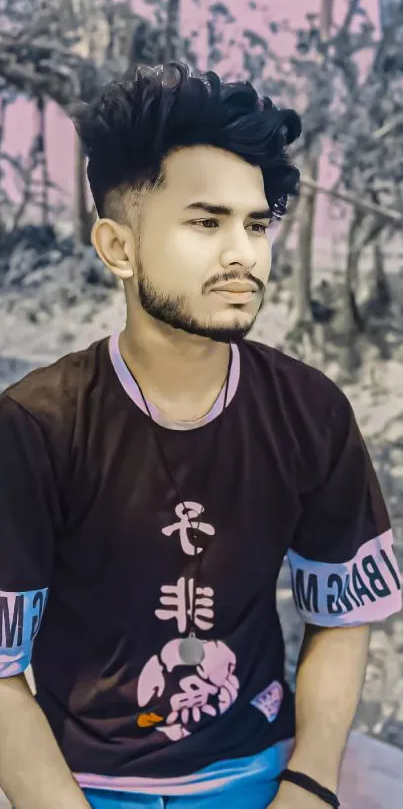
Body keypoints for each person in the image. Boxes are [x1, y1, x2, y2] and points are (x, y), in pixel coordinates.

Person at [0, 63, 401, 809]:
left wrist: (308, 787)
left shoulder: (309, 411)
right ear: (118, 246)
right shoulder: (36, 423)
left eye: (255, 224)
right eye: (205, 222)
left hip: (261, 770)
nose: (243, 253)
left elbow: (340, 617)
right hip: (78, 782)